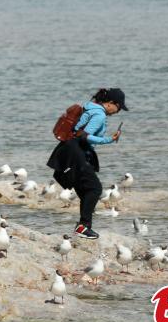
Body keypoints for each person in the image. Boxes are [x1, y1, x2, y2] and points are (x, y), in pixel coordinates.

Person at [49, 88, 127, 240]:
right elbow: (84, 136)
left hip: (71, 149)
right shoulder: (99, 114)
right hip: (76, 151)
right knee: (95, 188)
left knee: (86, 190)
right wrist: (109, 139)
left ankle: (83, 226)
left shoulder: (90, 107)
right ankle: (83, 227)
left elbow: (78, 132)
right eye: (119, 107)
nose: (118, 111)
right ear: (111, 103)